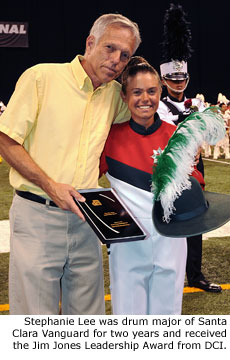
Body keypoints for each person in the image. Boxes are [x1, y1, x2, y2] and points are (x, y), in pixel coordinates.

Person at [0, 13, 141, 315]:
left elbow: (145, 127)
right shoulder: (42, 77)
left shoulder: (116, 95)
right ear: (90, 43)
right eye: (109, 48)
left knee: (87, 319)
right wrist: (51, 186)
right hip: (38, 214)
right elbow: (6, 139)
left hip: (87, 220)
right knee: (34, 318)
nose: (116, 60)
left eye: (125, 55)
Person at [100, 56, 204, 315]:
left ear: (160, 92)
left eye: (151, 91)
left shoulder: (178, 136)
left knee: (167, 317)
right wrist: (110, 226)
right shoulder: (109, 137)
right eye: (136, 92)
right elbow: (84, 181)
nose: (144, 98)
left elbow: (194, 187)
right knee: (129, 319)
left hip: (171, 242)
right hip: (127, 246)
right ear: (124, 96)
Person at [157, 3, 221, 293]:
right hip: (168, 167)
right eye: (173, 79)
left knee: (196, 221)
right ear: (163, 80)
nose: (178, 84)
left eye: (182, 79)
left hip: (195, 167)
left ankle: (195, 275)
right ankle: (164, 274)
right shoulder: (157, 107)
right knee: (166, 220)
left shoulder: (195, 104)